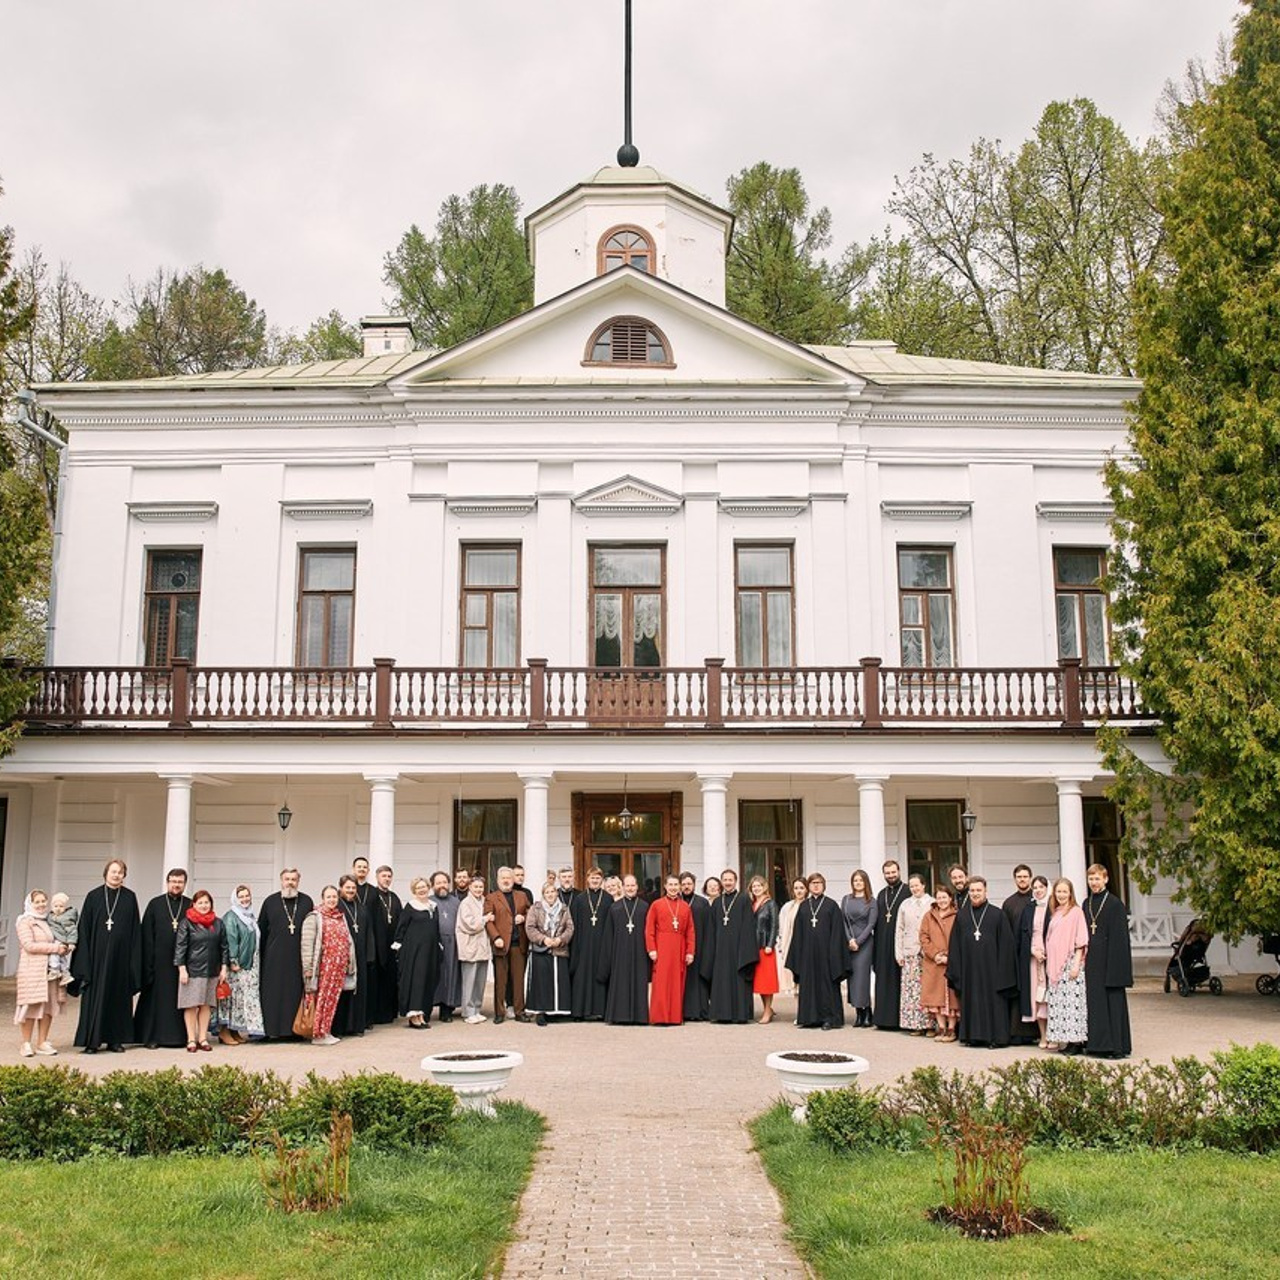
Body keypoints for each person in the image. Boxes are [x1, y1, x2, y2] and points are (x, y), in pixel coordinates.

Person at [72, 858, 141, 1054]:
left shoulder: (129, 897)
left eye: (120, 872)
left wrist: (134, 961)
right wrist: (83, 961)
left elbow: (135, 929)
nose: (117, 875)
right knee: (96, 997)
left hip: (121, 958)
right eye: (113, 871)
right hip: (97, 958)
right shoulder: (93, 896)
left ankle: (115, 1041)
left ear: (124, 876)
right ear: (106, 874)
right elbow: (84, 929)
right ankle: (92, 1042)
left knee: (118, 998)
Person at [946, 876, 1018, 1047]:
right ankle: (973, 1037)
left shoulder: (997, 914)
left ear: (985, 891)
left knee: (993, 1003)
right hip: (969, 970)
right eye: (972, 891)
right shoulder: (962, 916)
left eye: (979, 890)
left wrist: (1003, 972)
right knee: (972, 1001)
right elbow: (954, 944)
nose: (975, 894)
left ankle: (995, 1038)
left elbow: (1007, 946)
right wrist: (956, 970)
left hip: (992, 970)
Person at [134, 868, 191, 1049]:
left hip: (183, 963)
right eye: (173, 881)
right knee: (156, 1000)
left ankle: (180, 1037)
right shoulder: (155, 904)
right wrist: (148, 962)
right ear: (167, 882)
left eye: (180, 882)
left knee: (179, 1000)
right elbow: (146, 936)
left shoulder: (190, 905)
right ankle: (152, 1037)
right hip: (158, 962)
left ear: (184, 884)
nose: (176, 885)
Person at [257, 868, 314, 1039]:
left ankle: (294, 1031)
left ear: (298, 881)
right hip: (274, 957)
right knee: (273, 993)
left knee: (294, 994)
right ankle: (272, 1032)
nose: (290, 882)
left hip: (297, 957)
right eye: (287, 879)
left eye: (293, 879)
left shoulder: (306, 901)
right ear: (281, 881)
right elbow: (262, 930)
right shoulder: (270, 902)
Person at [1083, 864, 1132, 1059]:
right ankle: (1097, 1045)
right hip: (1092, 962)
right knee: (1095, 1004)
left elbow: (1120, 939)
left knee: (1112, 1003)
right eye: (1091, 879)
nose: (1094, 883)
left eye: (1097, 879)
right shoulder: (1086, 903)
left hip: (1111, 962)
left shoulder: (1115, 904)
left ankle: (1116, 1047)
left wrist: (1116, 970)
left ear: (1105, 879)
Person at [786, 873, 847, 1030]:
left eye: (819, 883)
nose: (816, 885)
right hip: (807, 954)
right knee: (808, 985)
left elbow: (838, 932)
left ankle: (829, 1019)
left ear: (823, 885)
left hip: (827, 954)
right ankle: (809, 1018)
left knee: (827, 987)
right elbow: (797, 933)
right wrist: (797, 956)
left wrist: (834, 954)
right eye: (813, 883)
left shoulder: (832, 905)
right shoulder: (804, 906)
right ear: (809, 886)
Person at [301, 885, 357, 1046]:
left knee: (331, 1001)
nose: (332, 900)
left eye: (334, 897)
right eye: (329, 897)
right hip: (323, 968)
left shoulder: (340, 917)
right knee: (320, 1000)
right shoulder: (315, 917)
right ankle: (318, 1034)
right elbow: (307, 944)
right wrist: (308, 968)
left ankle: (326, 1030)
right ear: (322, 898)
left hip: (338, 968)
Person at [175, 890, 230, 1054]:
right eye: (200, 903)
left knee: (206, 1005)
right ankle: (191, 1039)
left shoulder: (218, 923)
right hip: (192, 970)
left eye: (206, 902)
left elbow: (224, 947)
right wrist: (182, 969)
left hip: (212, 970)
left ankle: (202, 1038)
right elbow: (180, 947)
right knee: (191, 1006)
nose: (204, 906)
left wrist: (224, 967)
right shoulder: (186, 923)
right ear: (194, 904)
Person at [700, 868, 757, 1024]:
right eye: (725, 880)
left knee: (738, 980)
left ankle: (740, 1015)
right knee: (722, 980)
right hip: (720, 950)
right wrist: (711, 951)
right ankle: (722, 1014)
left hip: (739, 948)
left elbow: (748, 925)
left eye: (730, 880)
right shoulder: (718, 902)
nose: (727, 883)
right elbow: (711, 929)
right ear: (721, 882)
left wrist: (745, 950)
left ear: (736, 880)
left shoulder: (744, 899)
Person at [15, 891, 67, 1057]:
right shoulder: (24, 921)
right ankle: (26, 1043)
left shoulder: (49, 921)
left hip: (50, 971)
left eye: (44, 901)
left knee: (48, 1007)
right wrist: (54, 949)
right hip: (32, 970)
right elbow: (29, 945)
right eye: (37, 901)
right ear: (30, 903)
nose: (41, 904)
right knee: (32, 1006)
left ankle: (42, 1042)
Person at [1044, 877, 1089, 1052]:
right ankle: (1066, 1040)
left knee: (1072, 1005)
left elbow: (1081, 940)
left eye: (1064, 891)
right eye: (1058, 891)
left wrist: (1076, 965)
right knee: (1061, 1004)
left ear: (1070, 893)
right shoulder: (1056, 912)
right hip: (1055, 965)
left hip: (1070, 964)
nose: (1061, 894)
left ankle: (1076, 1042)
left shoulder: (1076, 912)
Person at [598, 874, 650, 1024]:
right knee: (620, 982)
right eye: (627, 886)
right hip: (619, 952)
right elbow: (609, 935)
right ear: (623, 887)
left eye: (633, 885)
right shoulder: (615, 908)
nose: (630, 888)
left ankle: (639, 1017)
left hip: (640, 951)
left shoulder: (644, 907)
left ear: (637, 887)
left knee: (639, 981)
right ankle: (619, 1016)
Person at [392, 877, 442, 1029]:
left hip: (431, 950)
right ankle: (414, 1015)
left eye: (424, 887)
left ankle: (423, 1014)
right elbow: (401, 927)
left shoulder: (433, 906)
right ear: (414, 890)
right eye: (419, 888)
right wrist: (398, 946)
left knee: (428, 980)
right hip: (415, 951)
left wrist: (439, 945)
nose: (422, 890)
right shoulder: (410, 907)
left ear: (428, 888)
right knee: (417, 982)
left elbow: (436, 928)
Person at [646, 874, 695, 1026]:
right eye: (671, 885)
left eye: (676, 885)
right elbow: (649, 929)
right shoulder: (656, 904)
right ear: (665, 887)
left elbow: (690, 931)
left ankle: (674, 1017)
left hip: (679, 947)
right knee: (661, 982)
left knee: (677, 982)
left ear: (679, 887)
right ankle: (659, 1016)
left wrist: (690, 952)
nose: (673, 888)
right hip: (662, 946)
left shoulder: (685, 906)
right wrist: (652, 949)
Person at [526, 879, 576, 1025]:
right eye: (547, 892)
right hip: (541, 950)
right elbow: (530, 927)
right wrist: (544, 939)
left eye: (553, 891)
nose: (550, 894)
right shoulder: (535, 909)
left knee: (559, 981)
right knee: (542, 982)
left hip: (559, 949)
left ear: (556, 893)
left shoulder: (564, 909)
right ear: (543, 894)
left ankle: (557, 1010)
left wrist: (560, 939)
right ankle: (541, 1012)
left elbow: (570, 927)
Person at [486, 866, 531, 1024]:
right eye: (503, 878)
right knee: (501, 981)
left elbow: (530, 913)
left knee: (518, 981)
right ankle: (499, 1012)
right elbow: (488, 921)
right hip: (501, 944)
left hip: (518, 944)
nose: (506, 881)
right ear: (498, 880)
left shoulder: (522, 896)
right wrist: (495, 937)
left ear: (513, 880)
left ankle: (520, 1011)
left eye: (509, 878)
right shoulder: (492, 897)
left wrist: (524, 917)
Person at [221, 884, 265, 1044]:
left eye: (247, 896)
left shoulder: (250, 915)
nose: (245, 899)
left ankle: (236, 1030)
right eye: (241, 896)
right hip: (239, 964)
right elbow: (231, 939)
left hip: (251, 962)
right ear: (235, 899)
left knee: (243, 999)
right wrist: (233, 960)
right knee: (234, 998)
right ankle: (224, 1032)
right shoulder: (231, 917)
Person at [1002, 864, 1039, 1044]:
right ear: (1015, 879)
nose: (1022, 879)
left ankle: (1037, 1031)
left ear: (1030, 878)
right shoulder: (1009, 903)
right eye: (1019, 877)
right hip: (1016, 954)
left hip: (1036, 955)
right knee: (1018, 992)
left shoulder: (1038, 899)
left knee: (1035, 991)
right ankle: (1018, 1031)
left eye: (1025, 876)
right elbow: (1005, 930)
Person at [569, 867, 611, 1021]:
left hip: (601, 945)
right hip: (583, 945)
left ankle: (600, 1011)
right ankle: (580, 1012)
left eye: (598, 878)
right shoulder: (579, 899)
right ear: (587, 879)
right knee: (582, 977)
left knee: (600, 976)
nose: (595, 881)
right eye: (592, 878)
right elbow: (574, 924)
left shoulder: (607, 899)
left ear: (602, 880)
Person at [919, 883, 960, 1041]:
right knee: (936, 997)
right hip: (933, 962)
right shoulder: (929, 916)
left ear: (950, 898)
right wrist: (935, 954)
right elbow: (923, 937)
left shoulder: (957, 916)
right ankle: (941, 1028)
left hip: (951, 961)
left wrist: (950, 957)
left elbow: (960, 938)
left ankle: (951, 1029)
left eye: (945, 897)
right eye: (939, 897)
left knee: (951, 997)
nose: (942, 900)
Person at [894, 873, 934, 1034]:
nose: (915, 889)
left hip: (927, 952)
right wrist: (899, 953)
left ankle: (930, 1025)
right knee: (912, 991)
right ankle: (915, 1025)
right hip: (909, 951)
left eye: (917, 885)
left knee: (928, 989)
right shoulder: (905, 904)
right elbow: (899, 929)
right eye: (911, 886)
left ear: (923, 885)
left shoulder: (932, 903)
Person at [334, 875, 371, 1036]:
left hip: (360, 955)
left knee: (358, 991)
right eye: (347, 888)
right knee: (343, 991)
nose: (350, 891)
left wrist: (370, 955)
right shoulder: (336, 907)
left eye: (353, 888)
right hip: (342, 956)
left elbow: (370, 933)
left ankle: (356, 1026)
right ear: (341, 888)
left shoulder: (362, 908)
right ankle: (340, 1028)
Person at [871, 860, 905, 1031]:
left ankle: (898, 1020)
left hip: (900, 944)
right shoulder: (881, 894)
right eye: (887, 873)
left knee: (898, 981)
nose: (891, 876)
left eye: (893, 872)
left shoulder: (906, 891)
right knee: (883, 980)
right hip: (882, 943)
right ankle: (883, 1019)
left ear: (899, 871)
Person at [841, 870, 878, 1027]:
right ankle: (858, 1012)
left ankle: (867, 1011)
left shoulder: (871, 901)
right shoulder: (846, 899)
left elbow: (871, 924)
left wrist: (859, 941)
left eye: (860, 880)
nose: (857, 883)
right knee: (852, 978)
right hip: (849, 943)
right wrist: (850, 940)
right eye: (855, 880)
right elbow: (843, 921)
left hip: (865, 943)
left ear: (865, 882)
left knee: (862, 978)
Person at [1019, 875, 1052, 1046]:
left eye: (1041, 887)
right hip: (1033, 956)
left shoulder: (1053, 907)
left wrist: (1046, 951)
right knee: (1036, 996)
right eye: (1035, 888)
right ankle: (1043, 1035)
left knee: (1049, 994)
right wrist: (1032, 951)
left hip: (1050, 955)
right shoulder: (1029, 908)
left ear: (1047, 888)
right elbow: (1024, 933)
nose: (1038, 890)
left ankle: (1054, 1035)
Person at [456, 875, 493, 1023]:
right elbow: (469, 924)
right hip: (470, 946)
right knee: (469, 981)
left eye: (481, 887)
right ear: (470, 888)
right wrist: (485, 919)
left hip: (483, 947)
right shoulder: (465, 903)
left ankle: (477, 1009)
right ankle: (468, 1011)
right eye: (476, 887)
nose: (478, 889)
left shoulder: (484, 901)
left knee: (480, 981)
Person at [368, 864, 402, 1025]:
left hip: (392, 944)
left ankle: (389, 1012)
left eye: (389, 876)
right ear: (377, 877)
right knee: (378, 981)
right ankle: (376, 1014)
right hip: (377, 943)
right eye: (384, 876)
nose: (387, 879)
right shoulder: (373, 895)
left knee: (391, 979)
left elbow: (400, 920)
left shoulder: (394, 897)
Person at [679, 871, 712, 1021]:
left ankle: (700, 1011)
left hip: (699, 945)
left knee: (698, 980)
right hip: (679, 947)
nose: (686, 887)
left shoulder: (702, 903)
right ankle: (682, 1011)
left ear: (694, 885)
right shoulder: (676, 902)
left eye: (689, 884)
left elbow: (708, 926)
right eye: (684, 884)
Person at [429, 871, 463, 1022]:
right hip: (434, 943)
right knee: (434, 975)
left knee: (450, 976)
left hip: (453, 944)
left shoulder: (456, 902)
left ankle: (447, 1009)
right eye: (438, 883)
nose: (442, 885)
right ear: (433, 885)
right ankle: (428, 1007)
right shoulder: (429, 901)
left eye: (444, 882)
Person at [748, 874, 779, 1024]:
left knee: (767, 981)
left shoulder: (770, 903)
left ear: (764, 887)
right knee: (759, 982)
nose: (756, 889)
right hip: (754, 945)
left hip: (765, 946)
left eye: (759, 886)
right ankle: (767, 1008)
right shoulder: (752, 903)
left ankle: (768, 1010)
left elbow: (774, 925)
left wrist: (770, 944)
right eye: (754, 886)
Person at [776, 877, 806, 997]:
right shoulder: (788, 907)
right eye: (796, 888)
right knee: (794, 980)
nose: (799, 891)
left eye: (801, 888)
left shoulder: (809, 905)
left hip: (805, 945)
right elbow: (782, 926)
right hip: (790, 945)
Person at [45, 893, 78, 984]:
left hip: (60, 939)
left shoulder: (66, 918)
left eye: (61, 906)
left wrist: (72, 943)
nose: (58, 908)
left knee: (54, 954)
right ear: (52, 907)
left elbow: (72, 931)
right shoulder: (50, 916)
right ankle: (65, 974)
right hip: (56, 938)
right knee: (61, 958)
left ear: (65, 907)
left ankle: (54, 969)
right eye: (56, 906)